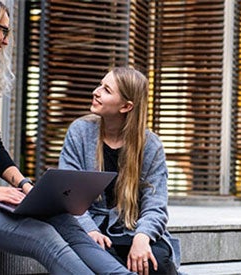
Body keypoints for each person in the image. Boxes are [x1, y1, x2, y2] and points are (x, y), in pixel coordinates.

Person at [0, 1, 134, 274]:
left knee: (65, 221)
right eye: (2, 31)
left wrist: (26, 186)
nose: (6, 40)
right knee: (43, 236)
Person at [58, 67, 182, 275]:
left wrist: (142, 238)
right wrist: (89, 229)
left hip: (131, 228)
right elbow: (68, 194)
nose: (96, 92)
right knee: (101, 259)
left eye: (106, 90)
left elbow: (156, 205)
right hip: (90, 228)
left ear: (126, 106)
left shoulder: (150, 146)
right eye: (100, 85)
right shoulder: (80, 132)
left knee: (155, 263)